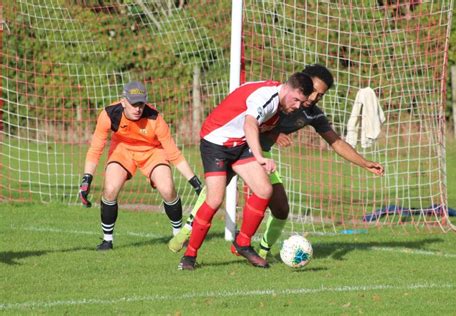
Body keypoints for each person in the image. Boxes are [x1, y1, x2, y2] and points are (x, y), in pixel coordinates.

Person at [170, 64, 384, 260]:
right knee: (215, 193)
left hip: (258, 156)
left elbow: (336, 142)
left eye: (321, 94)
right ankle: (186, 236)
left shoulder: (311, 114)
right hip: (238, 147)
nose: (316, 97)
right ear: (303, 83)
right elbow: (251, 120)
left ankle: (260, 250)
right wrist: (274, 134)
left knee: (280, 207)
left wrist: (364, 163)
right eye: (314, 91)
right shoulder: (281, 99)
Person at [177, 72, 314, 270]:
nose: (297, 106)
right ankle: (189, 256)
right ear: (287, 88)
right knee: (214, 200)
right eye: (296, 100)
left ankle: (242, 243)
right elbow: (250, 123)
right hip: (216, 141)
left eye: (302, 103)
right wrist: (259, 157)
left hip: (239, 144)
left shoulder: (281, 102)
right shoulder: (267, 97)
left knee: (264, 190)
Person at [79, 81, 203, 251]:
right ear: (123, 101)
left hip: (152, 151)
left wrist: (195, 183)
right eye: (133, 104)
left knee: (167, 189)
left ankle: (177, 234)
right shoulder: (109, 114)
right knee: (110, 189)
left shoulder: (155, 118)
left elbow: (173, 153)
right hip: (122, 150)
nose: (138, 109)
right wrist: (87, 178)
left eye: (141, 104)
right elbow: (95, 149)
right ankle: (107, 240)